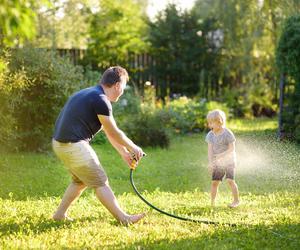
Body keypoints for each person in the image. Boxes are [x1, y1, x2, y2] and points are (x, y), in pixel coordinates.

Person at [52, 66, 145, 224]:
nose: (122, 91)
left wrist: (124, 153)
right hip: (74, 145)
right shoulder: (101, 100)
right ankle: (124, 219)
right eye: (123, 87)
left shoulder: (90, 94)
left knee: (80, 181)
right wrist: (133, 147)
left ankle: (59, 215)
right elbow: (115, 132)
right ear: (117, 85)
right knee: (101, 182)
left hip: (60, 144)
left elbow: (109, 132)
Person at [205, 109, 240, 208]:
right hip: (218, 163)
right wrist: (211, 162)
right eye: (209, 123)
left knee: (230, 181)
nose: (209, 125)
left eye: (211, 123)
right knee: (214, 182)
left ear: (219, 122)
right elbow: (210, 151)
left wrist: (222, 155)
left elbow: (232, 148)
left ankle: (236, 201)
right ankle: (212, 203)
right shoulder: (210, 135)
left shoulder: (227, 133)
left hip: (229, 161)